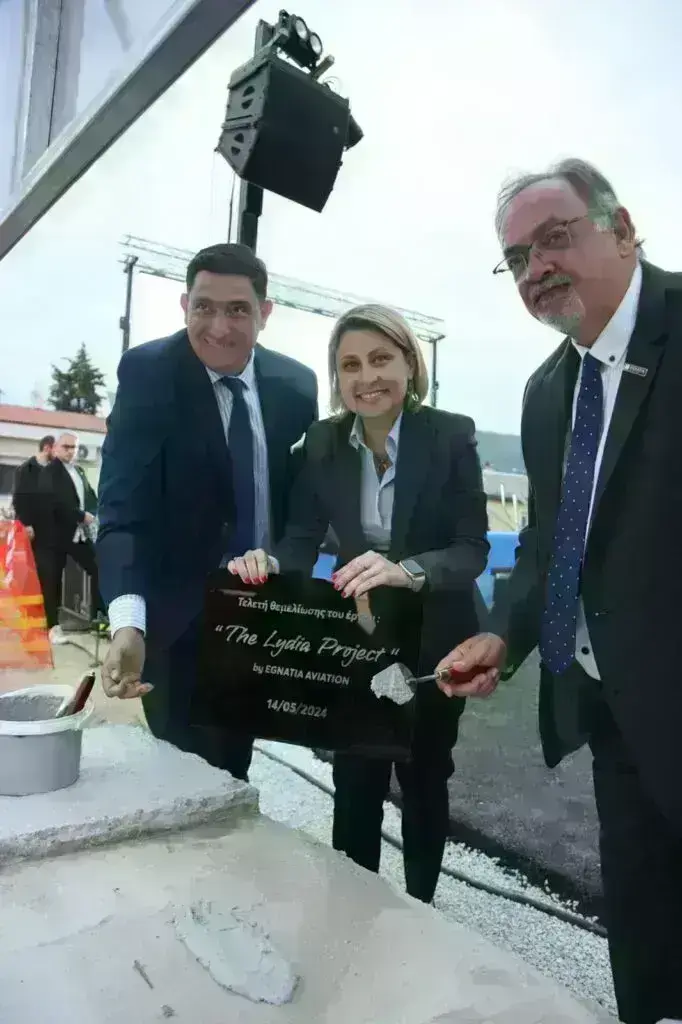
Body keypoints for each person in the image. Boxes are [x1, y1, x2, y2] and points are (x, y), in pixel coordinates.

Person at [434, 158, 682, 1024]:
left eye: (555, 238)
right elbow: (551, 540)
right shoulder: (548, 392)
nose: (535, 268)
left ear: (624, 230)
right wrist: (505, 634)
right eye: (516, 258)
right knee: (644, 935)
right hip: (614, 712)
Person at [228, 304, 489, 902]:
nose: (366, 377)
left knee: (424, 775)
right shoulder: (323, 442)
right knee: (354, 777)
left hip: (437, 633)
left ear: (409, 364)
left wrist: (407, 571)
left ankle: (420, 908)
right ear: (337, 376)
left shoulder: (450, 435)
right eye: (350, 365)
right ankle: (353, 912)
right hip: (360, 636)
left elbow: (471, 549)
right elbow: (300, 539)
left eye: (380, 359)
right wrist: (268, 564)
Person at [97, 243, 318, 781]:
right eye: (204, 307)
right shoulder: (149, 373)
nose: (218, 327)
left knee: (235, 767)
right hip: (178, 623)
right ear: (184, 306)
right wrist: (128, 623)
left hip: (262, 617)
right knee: (180, 780)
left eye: (238, 310)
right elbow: (123, 509)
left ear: (265, 313)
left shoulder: (296, 386)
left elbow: (304, 506)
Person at [36, 432, 100, 645]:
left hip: (77, 534)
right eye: (66, 446)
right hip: (54, 535)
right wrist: (81, 515)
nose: (71, 451)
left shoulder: (79, 471)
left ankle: (98, 618)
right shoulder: (49, 472)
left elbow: (90, 497)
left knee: (97, 566)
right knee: (53, 580)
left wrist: (94, 512)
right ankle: (52, 627)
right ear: (55, 448)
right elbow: (55, 502)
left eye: (74, 447)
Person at [12, 434, 54, 542]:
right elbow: (19, 499)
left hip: (49, 529)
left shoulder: (52, 470)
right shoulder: (25, 469)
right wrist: (26, 524)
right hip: (30, 529)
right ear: (47, 448)